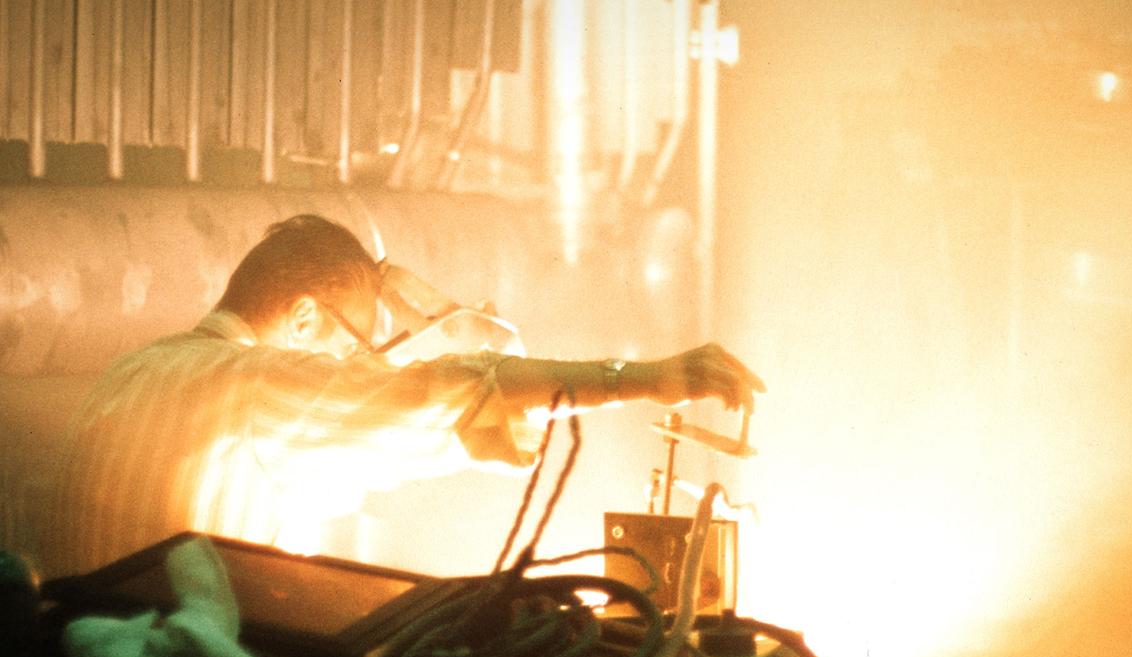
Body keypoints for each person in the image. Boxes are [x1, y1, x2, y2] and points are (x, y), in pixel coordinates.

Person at [43, 215, 764, 577]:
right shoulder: (260, 386)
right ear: (301, 318)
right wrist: (644, 379)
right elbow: (439, 393)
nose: (356, 367)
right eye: (353, 349)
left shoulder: (127, 373)